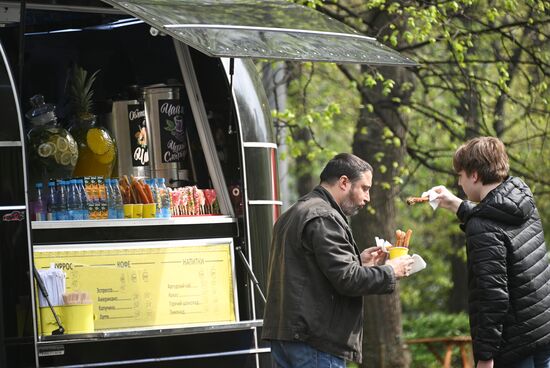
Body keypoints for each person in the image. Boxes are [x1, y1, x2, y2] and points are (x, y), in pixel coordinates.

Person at [262, 153, 414, 367]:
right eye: (365, 188)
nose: (367, 198)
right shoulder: (324, 216)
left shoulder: (292, 214)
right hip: (314, 342)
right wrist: (390, 271)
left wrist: (358, 262)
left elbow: (312, 273)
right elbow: (347, 280)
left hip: (285, 337)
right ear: (344, 182)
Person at [434, 137, 550, 368]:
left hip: (513, 347)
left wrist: (485, 357)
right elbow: (494, 217)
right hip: (542, 333)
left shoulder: (481, 226)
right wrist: (456, 204)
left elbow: (492, 296)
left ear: (474, 175)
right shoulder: (521, 199)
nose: (459, 183)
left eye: (460, 175)